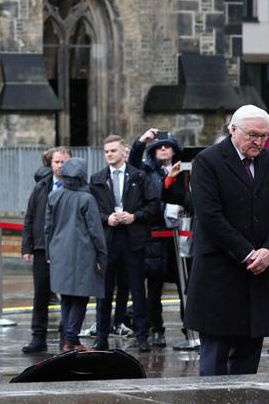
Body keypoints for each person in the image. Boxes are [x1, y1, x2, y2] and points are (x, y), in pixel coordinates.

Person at [185, 104, 269, 376]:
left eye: (264, 136)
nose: (259, 142)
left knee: (248, 356)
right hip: (220, 272)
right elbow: (210, 216)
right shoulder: (208, 162)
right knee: (215, 358)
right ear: (233, 130)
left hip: (260, 274)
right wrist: (247, 253)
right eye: (253, 135)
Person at [90, 134, 158, 352]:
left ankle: (142, 335)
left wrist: (134, 216)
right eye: (106, 151)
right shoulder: (97, 178)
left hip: (133, 238)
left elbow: (153, 205)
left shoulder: (138, 176)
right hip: (109, 239)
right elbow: (92, 211)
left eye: (113, 150)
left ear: (123, 152)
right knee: (104, 291)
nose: (109, 154)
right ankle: (101, 336)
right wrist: (106, 218)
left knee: (137, 289)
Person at [128, 129, 189, 348]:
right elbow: (133, 163)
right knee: (153, 289)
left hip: (181, 233)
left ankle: (189, 329)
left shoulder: (184, 171)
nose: (163, 149)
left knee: (185, 286)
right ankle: (157, 329)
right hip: (156, 235)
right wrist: (141, 141)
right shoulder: (145, 172)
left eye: (167, 146)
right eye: (158, 147)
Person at [44, 158, 107, 352]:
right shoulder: (86, 198)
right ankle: (71, 338)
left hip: (59, 252)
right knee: (81, 297)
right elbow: (95, 230)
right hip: (83, 254)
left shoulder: (54, 196)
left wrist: (49, 252)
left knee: (67, 297)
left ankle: (68, 338)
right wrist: (102, 255)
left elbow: (47, 228)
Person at [20, 146, 70, 353]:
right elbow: (30, 216)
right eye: (56, 162)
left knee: (67, 293)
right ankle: (38, 336)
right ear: (51, 164)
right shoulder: (41, 187)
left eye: (63, 162)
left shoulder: (77, 186)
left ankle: (66, 335)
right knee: (41, 293)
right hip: (42, 248)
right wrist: (27, 246)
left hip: (67, 248)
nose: (60, 166)